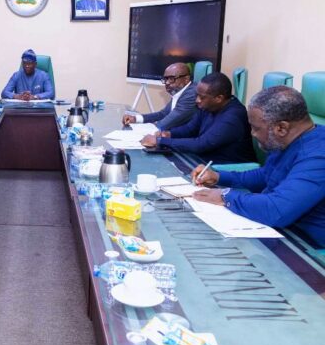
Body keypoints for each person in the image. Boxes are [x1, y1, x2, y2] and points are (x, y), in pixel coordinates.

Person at [192, 87, 325, 245]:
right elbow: (266, 175)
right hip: (278, 230)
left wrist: (225, 196)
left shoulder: (318, 155)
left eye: (255, 128)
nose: (253, 134)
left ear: (281, 128)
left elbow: (277, 210)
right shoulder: (288, 139)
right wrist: (219, 176)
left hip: (306, 249)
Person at [141, 72, 256, 164]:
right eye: (197, 95)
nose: (197, 100)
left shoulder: (233, 117)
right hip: (204, 161)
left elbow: (200, 144)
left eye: (202, 97)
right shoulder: (208, 106)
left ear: (219, 98)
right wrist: (169, 134)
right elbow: (190, 129)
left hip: (228, 168)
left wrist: (161, 141)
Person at [122, 63, 197, 130]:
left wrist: (149, 128)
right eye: (165, 79)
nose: (167, 83)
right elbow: (164, 114)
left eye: (171, 79)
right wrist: (135, 118)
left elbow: (163, 125)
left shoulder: (191, 94)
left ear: (186, 79)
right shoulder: (180, 91)